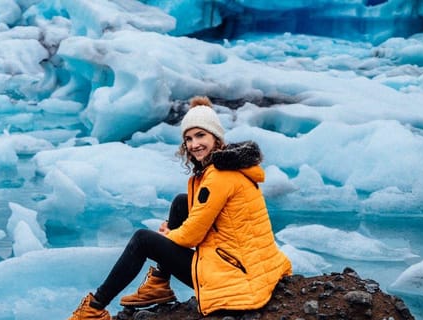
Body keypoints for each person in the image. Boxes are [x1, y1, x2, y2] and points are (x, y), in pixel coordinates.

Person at [68, 96, 292, 319]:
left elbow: (192, 236)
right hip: (249, 265)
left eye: (201, 135)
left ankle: (94, 309)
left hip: (233, 277)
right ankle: (158, 284)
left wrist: (169, 235)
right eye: (189, 138)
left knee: (142, 240)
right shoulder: (232, 168)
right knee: (181, 202)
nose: (194, 145)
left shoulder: (218, 177)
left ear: (216, 137)